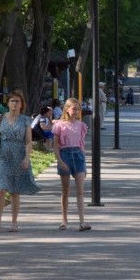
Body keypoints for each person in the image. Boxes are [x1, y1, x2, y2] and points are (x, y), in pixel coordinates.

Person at [0, 89, 40, 232]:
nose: (15, 103)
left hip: (18, 155)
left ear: (22, 104)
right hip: (3, 156)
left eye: (17, 101)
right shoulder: (0, 118)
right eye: (12, 101)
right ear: (8, 103)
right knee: (1, 189)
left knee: (15, 191)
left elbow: (28, 141)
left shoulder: (25, 120)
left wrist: (26, 158)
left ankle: (14, 222)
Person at [52, 97, 91, 231]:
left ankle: (82, 221)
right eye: (74, 109)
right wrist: (60, 162)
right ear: (67, 109)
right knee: (65, 191)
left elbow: (82, 146)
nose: (76, 112)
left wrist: (84, 164)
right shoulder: (59, 125)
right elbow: (55, 147)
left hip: (78, 156)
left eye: (78, 109)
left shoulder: (81, 125)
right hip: (65, 155)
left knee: (80, 190)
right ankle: (64, 220)